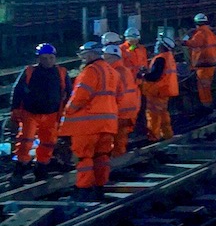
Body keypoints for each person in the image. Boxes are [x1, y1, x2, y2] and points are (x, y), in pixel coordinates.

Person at [61, 41, 120, 199]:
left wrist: (68, 111)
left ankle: (83, 190)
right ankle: (99, 187)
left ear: (91, 54)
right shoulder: (111, 71)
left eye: (84, 54)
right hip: (108, 123)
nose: (82, 58)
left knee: (84, 157)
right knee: (102, 156)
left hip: (88, 124)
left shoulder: (91, 71)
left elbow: (81, 96)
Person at [8, 43, 72, 185]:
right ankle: (20, 168)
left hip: (52, 114)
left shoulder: (61, 72)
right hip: (30, 113)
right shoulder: (29, 71)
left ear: (55, 58)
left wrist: (68, 113)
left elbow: (68, 92)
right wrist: (15, 109)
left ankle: (41, 167)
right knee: (25, 141)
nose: (48, 61)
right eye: (44, 58)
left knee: (48, 142)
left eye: (50, 58)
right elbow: (17, 90)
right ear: (38, 59)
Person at [102, 44, 140, 157]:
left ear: (113, 57)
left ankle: (117, 161)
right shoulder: (124, 70)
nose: (104, 60)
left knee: (116, 140)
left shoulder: (114, 72)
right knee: (120, 138)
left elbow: (114, 93)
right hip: (127, 110)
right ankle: (118, 158)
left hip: (120, 111)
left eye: (106, 57)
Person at [140, 35, 179, 142]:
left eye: (159, 44)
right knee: (163, 114)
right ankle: (167, 135)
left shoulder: (160, 58)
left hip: (156, 91)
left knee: (153, 115)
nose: (156, 46)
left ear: (162, 46)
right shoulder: (169, 57)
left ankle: (153, 137)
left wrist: (143, 75)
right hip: (164, 91)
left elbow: (155, 75)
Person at [183, 13, 216, 109]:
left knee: (203, 87)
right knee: (208, 85)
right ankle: (210, 103)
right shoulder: (211, 34)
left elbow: (194, 43)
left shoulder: (199, 34)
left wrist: (184, 41)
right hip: (211, 63)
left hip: (203, 65)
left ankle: (207, 106)